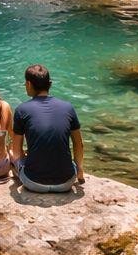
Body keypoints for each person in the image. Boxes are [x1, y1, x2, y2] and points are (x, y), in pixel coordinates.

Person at [10, 64, 84, 192]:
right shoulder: (68, 107)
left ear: (28, 84)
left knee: (11, 154)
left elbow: (16, 151)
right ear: (50, 84)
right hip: (66, 183)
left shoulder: (21, 110)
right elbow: (79, 145)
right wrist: (80, 169)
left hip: (33, 183)